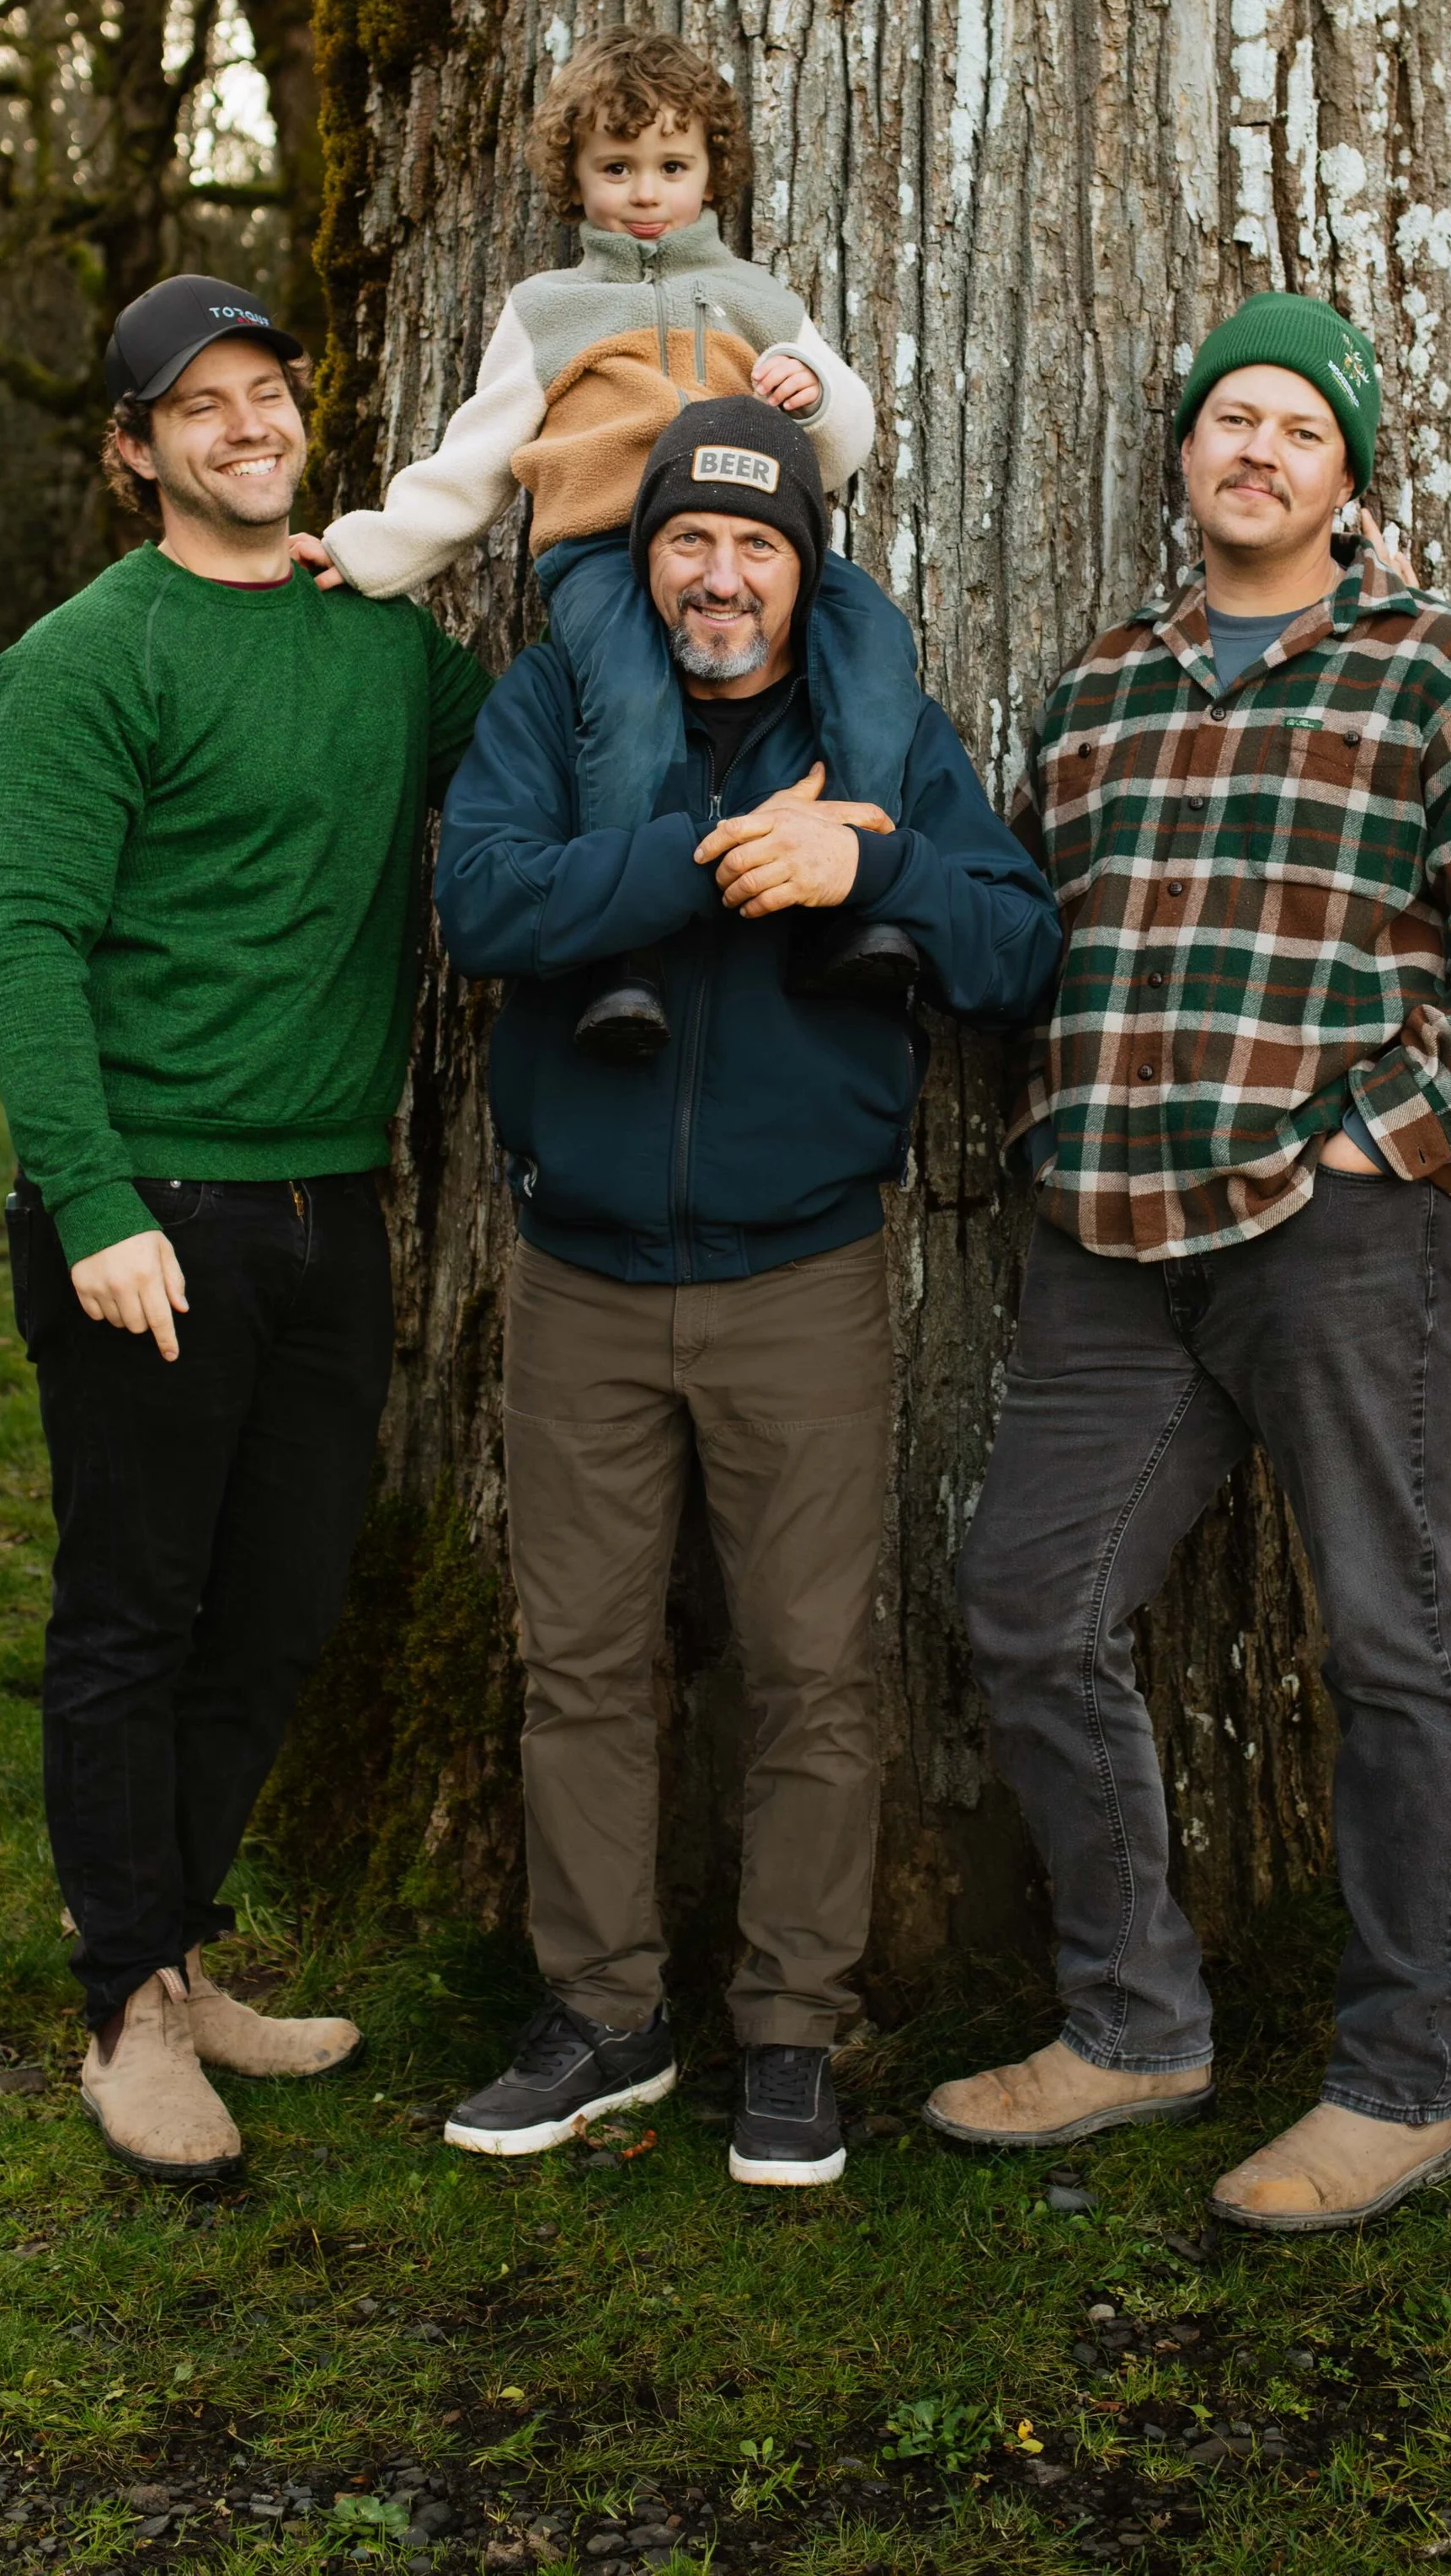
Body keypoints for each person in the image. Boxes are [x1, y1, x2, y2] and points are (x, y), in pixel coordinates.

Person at [924, 290, 1451, 2228]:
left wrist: (1388, 1138)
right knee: (1028, 1604)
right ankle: (1136, 2022)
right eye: (1231, 417)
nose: (1258, 449)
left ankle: (1397, 2082)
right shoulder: (1100, 688)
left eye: (1299, 428)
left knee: (1389, 1641)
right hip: (1113, 1231)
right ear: (1184, 455)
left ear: (1346, 477)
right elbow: (1030, 937)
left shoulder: (1441, 673)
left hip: (1342, 1235)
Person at [431, 397, 1061, 2188]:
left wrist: (870, 861)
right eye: (688, 542)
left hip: (800, 1272)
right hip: (582, 1273)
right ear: (646, 558)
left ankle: (792, 2031)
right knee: (580, 1664)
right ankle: (603, 2013)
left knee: (810, 1668)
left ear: (804, 568)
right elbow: (479, 904)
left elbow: (1020, 948)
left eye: (757, 545)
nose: (720, 577)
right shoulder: (554, 708)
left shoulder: (880, 734)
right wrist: (695, 865)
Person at [0, 275, 492, 2184]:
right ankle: (125, 2011)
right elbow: (22, 938)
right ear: (136, 450)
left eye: (268, 391)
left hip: (331, 1205)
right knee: (135, 1613)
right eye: (201, 406)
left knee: (274, 1611)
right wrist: (96, 1203)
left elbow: (530, 756)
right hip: (151, 1212)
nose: (250, 424)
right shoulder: (87, 658)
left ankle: (180, 1949)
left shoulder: (381, 645)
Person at [300, 24, 921, 1057]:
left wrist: (813, 395)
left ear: (711, 172)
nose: (645, 192)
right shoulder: (550, 311)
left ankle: (853, 896)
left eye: (672, 166)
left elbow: (844, 440)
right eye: (616, 167)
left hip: (750, 543)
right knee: (628, 697)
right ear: (575, 177)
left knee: (872, 644)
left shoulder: (758, 299)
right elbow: (478, 454)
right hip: (599, 547)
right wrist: (369, 551)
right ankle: (620, 953)